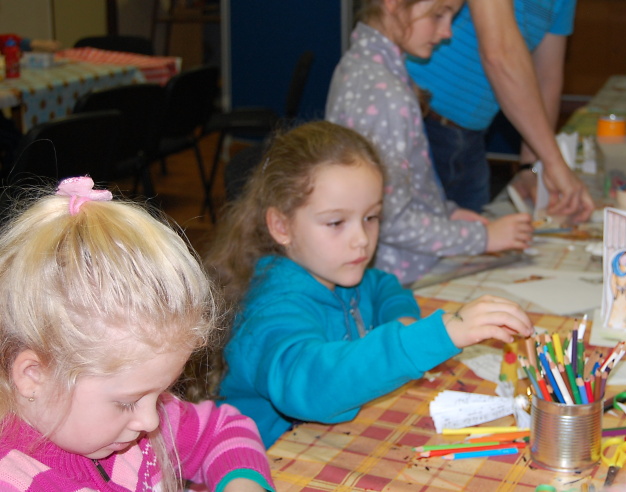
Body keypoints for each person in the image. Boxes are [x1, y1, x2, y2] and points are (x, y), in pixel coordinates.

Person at [205, 121, 533, 447]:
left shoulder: (336, 271)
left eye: (371, 217)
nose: (361, 239)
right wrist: (435, 335)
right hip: (266, 460)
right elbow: (315, 387)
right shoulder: (271, 310)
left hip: (325, 443)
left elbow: (385, 287)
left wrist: (402, 320)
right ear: (281, 226)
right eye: (336, 222)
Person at [0, 176, 274, 492]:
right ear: (34, 376)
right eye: (127, 403)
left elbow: (222, 430)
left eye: (161, 393)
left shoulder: (136, 412)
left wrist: (242, 483)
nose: (151, 422)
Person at [326, 0, 533, 286]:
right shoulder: (384, 94)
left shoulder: (366, 66)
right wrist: (482, 238)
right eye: (439, 15)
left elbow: (407, 186)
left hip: (403, 266)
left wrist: (447, 212)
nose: (447, 32)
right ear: (395, 1)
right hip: (399, 279)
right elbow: (388, 218)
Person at [406, 0, 594, 221]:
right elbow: (499, 54)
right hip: (417, 124)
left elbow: (547, 75)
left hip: (470, 138)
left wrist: (532, 166)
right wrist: (554, 162)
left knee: (472, 240)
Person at [606, 251, 626, 329]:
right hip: (618, 294)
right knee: (616, 308)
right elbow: (612, 282)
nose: (625, 260)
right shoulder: (615, 271)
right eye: (623, 258)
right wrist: (616, 289)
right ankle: (614, 322)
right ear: (619, 259)